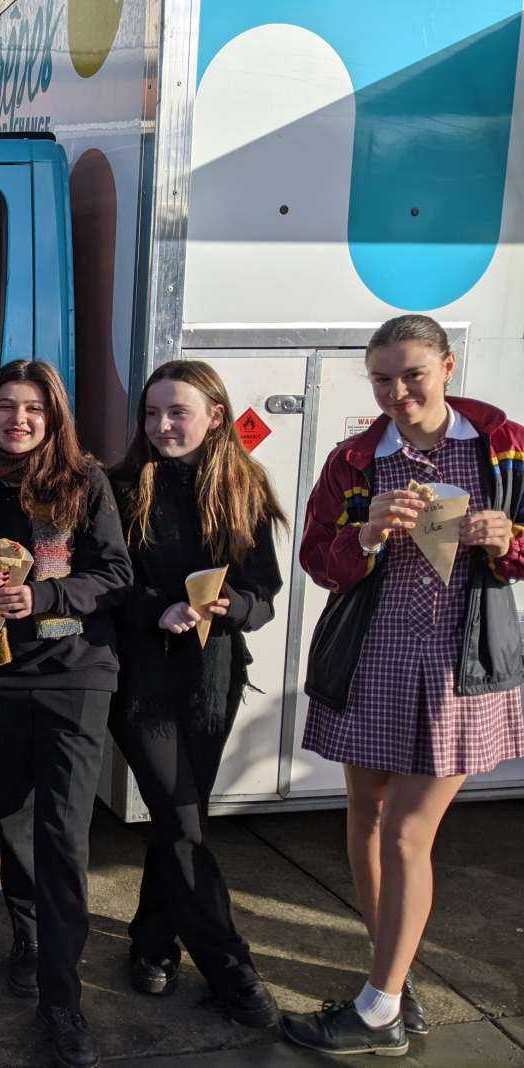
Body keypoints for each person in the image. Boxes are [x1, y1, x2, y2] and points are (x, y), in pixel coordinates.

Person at [282, 315, 524, 1056]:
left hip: (460, 660)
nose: (396, 392)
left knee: (409, 833)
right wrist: (362, 536)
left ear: (447, 367)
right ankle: (392, 971)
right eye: (381, 378)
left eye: (412, 374)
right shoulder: (356, 460)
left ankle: (380, 1008)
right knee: (366, 816)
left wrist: (506, 538)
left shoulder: (501, 448)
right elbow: (317, 561)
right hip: (375, 653)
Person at [0, 359, 131, 1068]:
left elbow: (115, 575)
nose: (17, 419)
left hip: (75, 678)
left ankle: (63, 1000)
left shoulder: (85, 484)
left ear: (53, 417)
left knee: (62, 832)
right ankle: (28, 936)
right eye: (4, 406)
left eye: (33, 408)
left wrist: (49, 599)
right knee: (14, 817)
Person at [108, 360, 285, 1029]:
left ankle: (153, 943)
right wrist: (158, 607)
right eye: (152, 414)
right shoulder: (122, 486)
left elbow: (264, 595)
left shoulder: (244, 488)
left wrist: (227, 607)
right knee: (181, 821)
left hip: (212, 682)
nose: (162, 427)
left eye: (177, 412)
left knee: (178, 820)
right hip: (140, 682)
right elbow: (108, 580)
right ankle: (232, 970)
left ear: (215, 414)